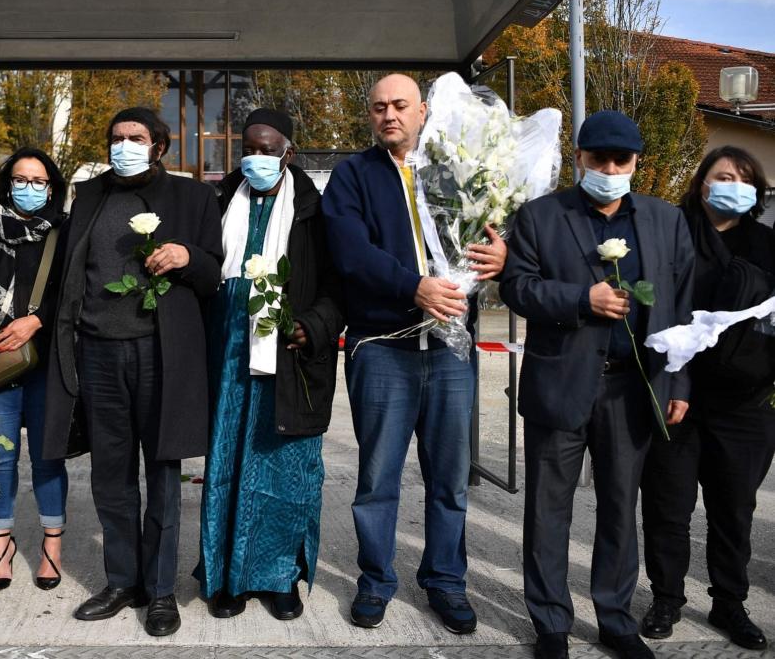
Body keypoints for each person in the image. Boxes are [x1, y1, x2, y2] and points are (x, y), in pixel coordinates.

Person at [500, 110, 694, 659]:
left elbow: (680, 308)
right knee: (548, 510)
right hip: (560, 384)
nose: (609, 168)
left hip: (633, 390)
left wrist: (679, 381)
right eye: (598, 158)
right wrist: (580, 300)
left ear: (636, 163)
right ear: (579, 157)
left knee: (618, 507)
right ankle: (551, 624)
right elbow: (518, 288)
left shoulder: (664, 220)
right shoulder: (540, 216)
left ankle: (615, 618)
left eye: (620, 160)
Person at [321, 74, 506, 634]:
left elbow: (490, 231)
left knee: (449, 477)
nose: (389, 115)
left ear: (423, 110)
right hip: (382, 348)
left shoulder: (457, 171)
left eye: (400, 105)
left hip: (451, 351)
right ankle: (376, 582)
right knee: (378, 477)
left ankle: (446, 582)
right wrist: (413, 287)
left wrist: (502, 253)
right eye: (378, 108)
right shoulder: (352, 176)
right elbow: (351, 253)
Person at [43, 107, 222, 637]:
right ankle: (123, 580)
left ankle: (161, 589)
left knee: (163, 474)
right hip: (98, 353)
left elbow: (214, 273)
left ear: (159, 147)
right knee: (111, 477)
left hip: (160, 354)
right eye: (116, 137)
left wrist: (186, 255)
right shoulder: (91, 196)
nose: (124, 145)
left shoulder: (194, 199)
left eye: (136, 138)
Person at [196, 109, 343, 622]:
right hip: (228, 358)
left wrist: (315, 325)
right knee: (227, 466)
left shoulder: (314, 212)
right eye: (250, 148)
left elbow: (337, 285)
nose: (257, 157)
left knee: (285, 469)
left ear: (289, 153)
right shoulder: (215, 202)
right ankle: (226, 576)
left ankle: (280, 578)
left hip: (290, 359)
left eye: (268, 148)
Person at [639, 146, 775, 651]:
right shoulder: (672, 237)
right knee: (667, 505)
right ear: (702, 185)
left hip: (746, 403)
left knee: (734, 508)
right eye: (723, 175)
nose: (733, 184)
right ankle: (667, 598)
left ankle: (729, 602)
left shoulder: (767, 243)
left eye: (743, 177)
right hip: (678, 398)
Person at [0, 148, 69, 592]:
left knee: (47, 457)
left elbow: (73, 291)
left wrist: (38, 317)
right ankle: (1, 547)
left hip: (46, 361)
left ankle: (52, 546)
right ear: (6, 182)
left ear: (51, 188)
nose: (28, 188)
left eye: (38, 181)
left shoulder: (63, 233)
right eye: (20, 179)